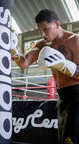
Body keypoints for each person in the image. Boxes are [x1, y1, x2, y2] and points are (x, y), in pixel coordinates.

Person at [11, 9, 79, 144]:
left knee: (71, 140)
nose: (42, 34)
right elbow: (24, 63)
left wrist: (64, 65)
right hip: (62, 97)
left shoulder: (75, 41)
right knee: (63, 139)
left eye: (46, 29)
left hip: (77, 94)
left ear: (57, 24)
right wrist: (13, 49)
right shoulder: (42, 45)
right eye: (39, 31)